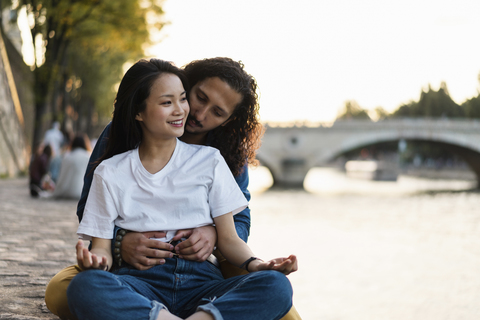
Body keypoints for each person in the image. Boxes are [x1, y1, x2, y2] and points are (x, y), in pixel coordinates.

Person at [45, 57, 302, 320]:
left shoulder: (219, 156)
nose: (197, 114)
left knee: (277, 288)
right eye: (199, 98)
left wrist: (216, 236)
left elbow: (236, 227)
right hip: (138, 272)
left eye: (217, 112)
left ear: (228, 120)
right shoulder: (115, 153)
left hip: (207, 268)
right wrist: (119, 244)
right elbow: (91, 210)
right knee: (77, 288)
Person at [50, 135, 91, 199]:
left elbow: (61, 177)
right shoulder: (88, 157)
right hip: (81, 193)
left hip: (66, 192)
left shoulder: (67, 157)